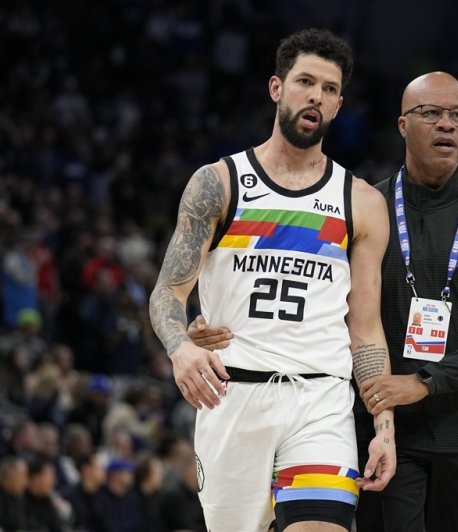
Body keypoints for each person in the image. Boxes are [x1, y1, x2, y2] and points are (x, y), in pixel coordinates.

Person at [190, 71, 458, 531]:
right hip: (383, 431)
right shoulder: (365, 207)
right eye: (431, 113)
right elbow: (314, 301)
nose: (446, 125)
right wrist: (214, 318)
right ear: (401, 124)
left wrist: (424, 382)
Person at [148, 28, 395, 532]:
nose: (316, 96)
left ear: (338, 104)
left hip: (320, 402)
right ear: (276, 87)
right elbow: (166, 293)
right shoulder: (217, 184)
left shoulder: (362, 201)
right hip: (232, 398)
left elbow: (366, 330)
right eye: (305, 81)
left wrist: (384, 428)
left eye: (329, 89)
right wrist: (181, 348)